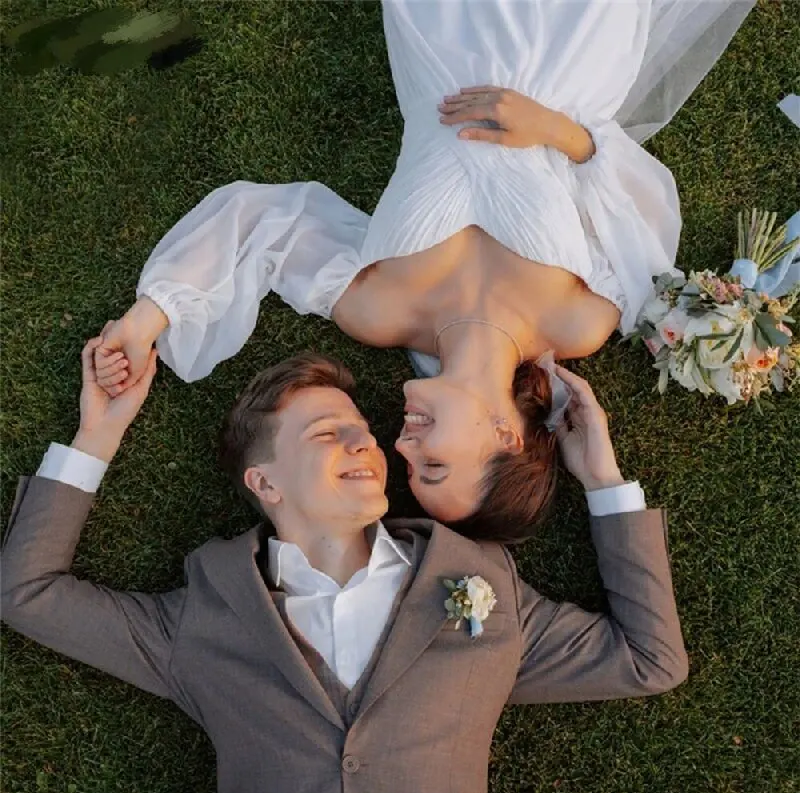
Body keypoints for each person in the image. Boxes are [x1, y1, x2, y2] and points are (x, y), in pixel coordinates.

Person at [92, 0, 753, 534]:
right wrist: (554, 130)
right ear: (506, 436)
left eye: (408, 469)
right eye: (432, 466)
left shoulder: (377, 312)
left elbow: (263, 222)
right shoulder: (581, 323)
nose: (401, 449)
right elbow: (638, 206)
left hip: (440, 33)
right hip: (577, 45)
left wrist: (147, 318)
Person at [2, 341, 687, 793]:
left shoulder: (489, 588)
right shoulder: (199, 621)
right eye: (329, 434)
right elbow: (28, 592)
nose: (368, 441)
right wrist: (99, 434)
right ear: (264, 483)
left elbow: (650, 660)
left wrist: (602, 479)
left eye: (362, 429)